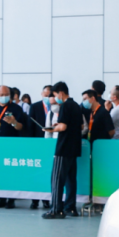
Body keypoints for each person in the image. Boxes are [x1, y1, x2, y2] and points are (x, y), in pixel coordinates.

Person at [43, 82, 83, 219]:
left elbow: (63, 127)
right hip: (74, 148)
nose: (55, 99)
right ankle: (70, 207)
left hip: (64, 147)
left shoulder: (65, 106)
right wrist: (59, 125)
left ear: (60, 93)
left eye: (55, 95)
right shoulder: (76, 105)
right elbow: (79, 126)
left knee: (57, 180)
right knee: (71, 180)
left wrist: (51, 128)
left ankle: (56, 209)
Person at [0, 85, 29, 209]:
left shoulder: (16, 108)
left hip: (11, 145)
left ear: (10, 95)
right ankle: (1, 198)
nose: (3, 96)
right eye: (1, 94)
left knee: (11, 172)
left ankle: (11, 199)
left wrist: (14, 122)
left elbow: (21, 127)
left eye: (6, 94)